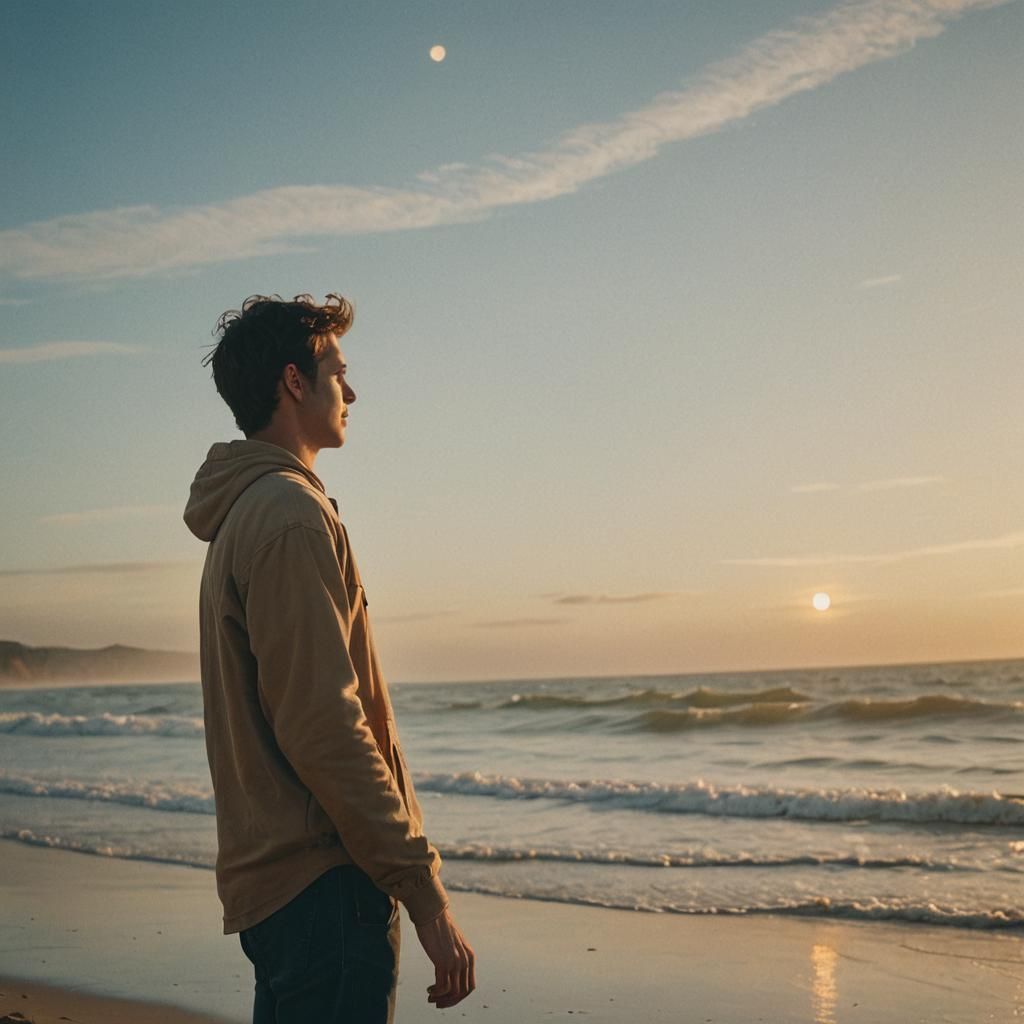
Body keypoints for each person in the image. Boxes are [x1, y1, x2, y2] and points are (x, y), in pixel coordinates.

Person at [183, 293, 475, 1023]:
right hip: (325, 887)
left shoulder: (245, 514)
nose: (351, 392)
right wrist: (423, 893)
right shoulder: (289, 514)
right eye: (339, 373)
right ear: (294, 381)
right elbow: (324, 723)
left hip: (283, 889)